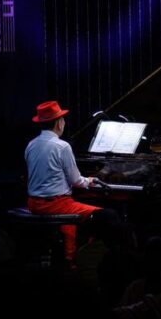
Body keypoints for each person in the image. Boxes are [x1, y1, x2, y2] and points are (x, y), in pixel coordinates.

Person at [25, 100, 112, 261]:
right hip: (54, 205)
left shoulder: (31, 145)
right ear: (59, 123)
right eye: (62, 119)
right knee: (107, 215)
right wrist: (90, 180)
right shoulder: (62, 146)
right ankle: (86, 259)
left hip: (33, 203)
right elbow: (76, 181)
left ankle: (73, 254)